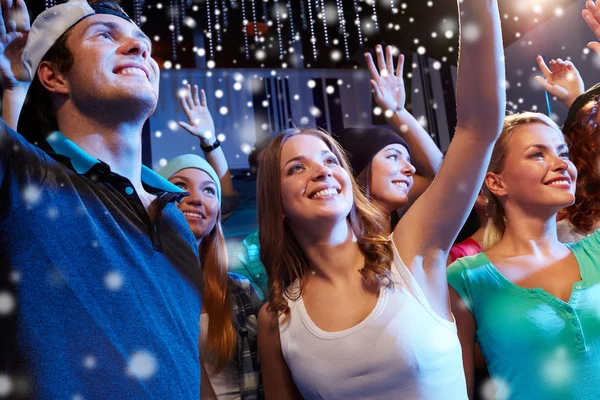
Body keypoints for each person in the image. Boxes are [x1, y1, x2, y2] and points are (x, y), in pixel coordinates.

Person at [256, 0, 505, 397]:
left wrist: (478, 6)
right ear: (277, 207)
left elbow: (477, 128)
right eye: (295, 168)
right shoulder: (277, 318)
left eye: (329, 159)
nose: (321, 170)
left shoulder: (411, 250)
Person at [0, 1, 202, 397]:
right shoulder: (25, 181)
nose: (139, 48)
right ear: (54, 75)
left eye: (143, 42)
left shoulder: (175, 215)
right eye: (106, 35)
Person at [447, 112, 600, 399]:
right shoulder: (465, 278)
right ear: (496, 183)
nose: (561, 164)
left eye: (563, 152)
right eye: (537, 155)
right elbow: (459, 390)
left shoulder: (598, 250)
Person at [158, 148, 263, 400]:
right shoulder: (140, 287)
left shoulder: (241, 291)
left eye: (208, 190)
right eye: (180, 186)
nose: (196, 198)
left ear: (217, 212)